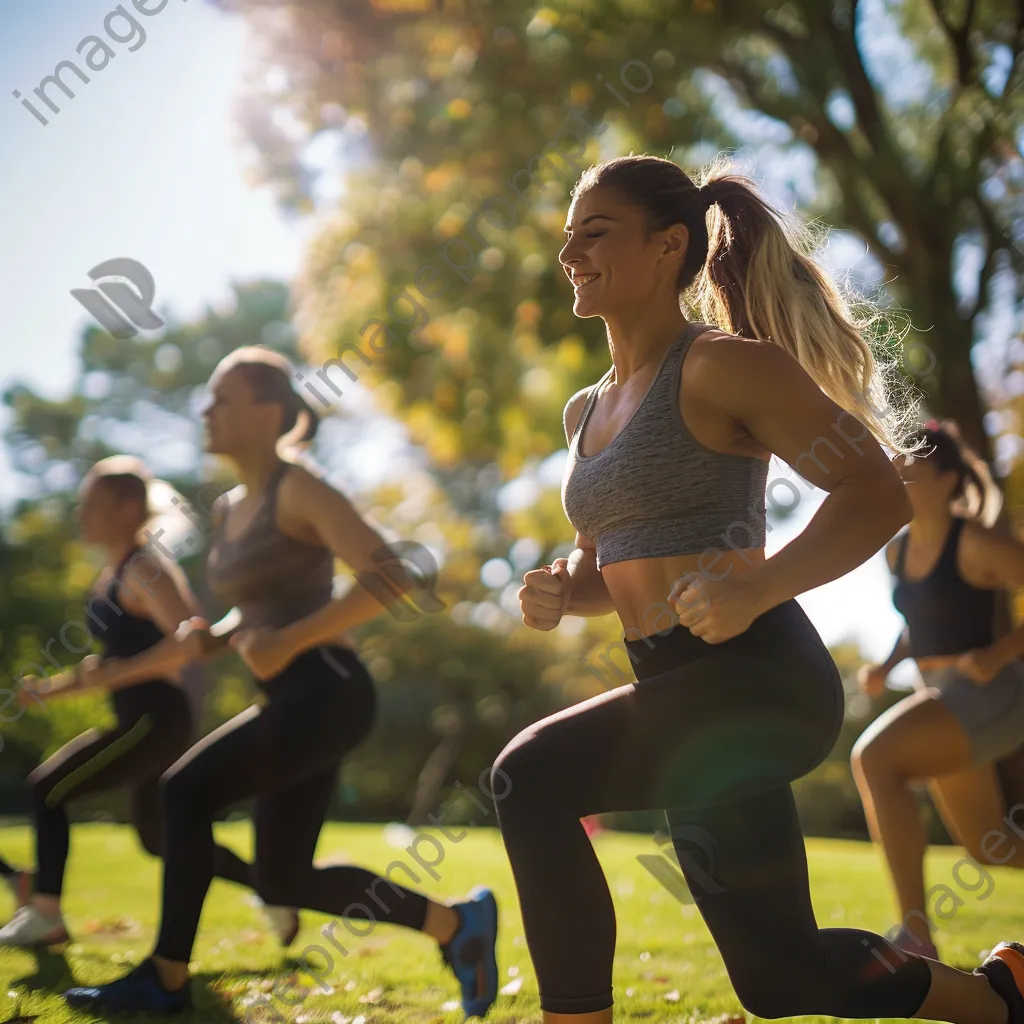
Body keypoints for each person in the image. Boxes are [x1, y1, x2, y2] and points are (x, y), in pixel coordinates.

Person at [499, 154, 1024, 1024]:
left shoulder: (721, 367)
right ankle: (1001, 997)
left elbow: (876, 491)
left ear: (670, 246)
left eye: (594, 233)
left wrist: (760, 586)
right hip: (676, 684)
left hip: (758, 678)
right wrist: (564, 589)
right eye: (567, 236)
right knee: (780, 978)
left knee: (528, 777)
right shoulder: (585, 411)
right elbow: (612, 564)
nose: (569, 254)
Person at [61, 347, 499, 1018]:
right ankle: (457, 926)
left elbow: (393, 576)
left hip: (328, 689)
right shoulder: (233, 505)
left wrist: (289, 640)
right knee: (283, 877)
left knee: (184, 792)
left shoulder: (300, 488)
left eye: (222, 399)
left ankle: (166, 979)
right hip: (294, 697)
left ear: (269, 413)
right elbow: (260, 606)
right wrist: (219, 633)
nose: (205, 410)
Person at [0, 457, 261, 946]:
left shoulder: (145, 568)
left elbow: (191, 641)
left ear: (124, 508)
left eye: (90, 503)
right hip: (142, 715)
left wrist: (118, 672)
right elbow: (106, 670)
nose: (80, 514)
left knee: (47, 789)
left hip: (155, 718)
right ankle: (272, 886)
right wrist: (49, 691)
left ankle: (46, 915)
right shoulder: (111, 576)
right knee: (157, 838)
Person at [852, 420, 1024, 961]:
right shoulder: (897, 553)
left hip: (992, 694)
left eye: (912, 469)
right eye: (896, 466)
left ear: (948, 479)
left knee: (875, 759)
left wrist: (998, 652)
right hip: (941, 697)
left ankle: (915, 936)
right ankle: (917, 934)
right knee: (990, 848)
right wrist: (887, 664)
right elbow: (919, 623)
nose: (899, 476)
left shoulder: (976, 540)